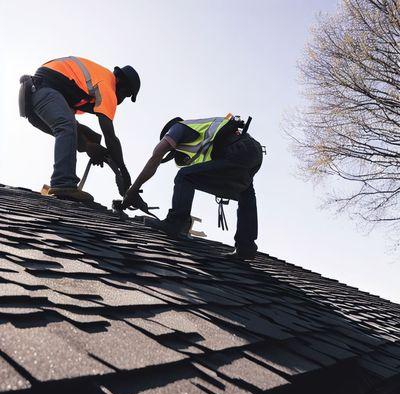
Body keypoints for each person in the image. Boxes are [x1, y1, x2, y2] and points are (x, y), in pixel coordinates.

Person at [121, 114, 263, 260]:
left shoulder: (178, 128)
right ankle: (246, 246)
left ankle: (175, 222)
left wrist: (132, 190)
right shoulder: (201, 140)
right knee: (245, 194)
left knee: (185, 176)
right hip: (253, 152)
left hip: (239, 150)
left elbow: (156, 156)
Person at [19, 56, 140, 201]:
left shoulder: (86, 87)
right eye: (126, 93)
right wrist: (123, 171)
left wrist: (89, 145)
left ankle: (65, 183)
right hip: (42, 89)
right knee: (67, 127)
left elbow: (74, 126)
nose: (122, 99)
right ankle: (63, 183)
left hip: (33, 97)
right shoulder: (108, 84)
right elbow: (110, 135)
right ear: (120, 81)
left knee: (87, 135)